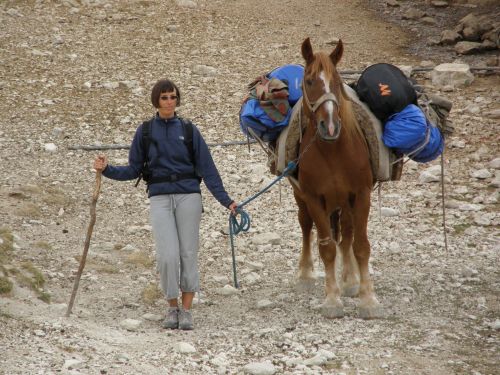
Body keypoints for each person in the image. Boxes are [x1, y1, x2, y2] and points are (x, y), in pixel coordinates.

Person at [93, 79, 238, 330]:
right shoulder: (146, 131)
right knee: (167, 256)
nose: (169, 101)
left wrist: (228, 202)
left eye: (173, 97)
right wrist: (107, 170)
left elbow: (208, 169)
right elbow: (134, 169)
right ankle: (172, 307)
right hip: (159, 197)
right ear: (156, 101)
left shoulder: (190, 129)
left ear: (177, 99)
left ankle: (188, 310)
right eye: (164, 97)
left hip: (189, 196)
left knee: (188, 253)